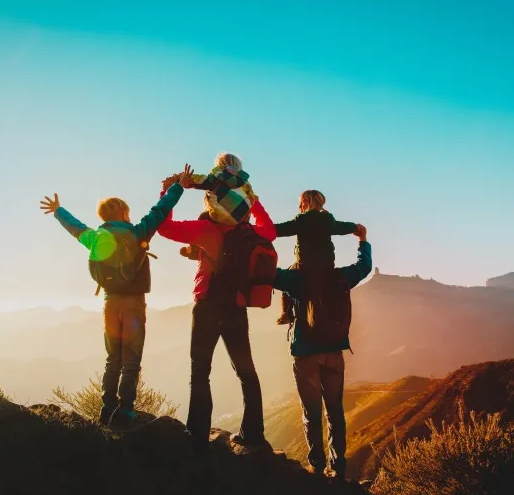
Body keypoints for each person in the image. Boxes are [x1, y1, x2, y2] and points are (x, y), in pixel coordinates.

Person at [38, 169, 191, 428]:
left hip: (110, 303)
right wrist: (178, 187)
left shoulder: (96, 238)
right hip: (134, 304)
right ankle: (125, 411)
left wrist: (58, 211)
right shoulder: (137, 233)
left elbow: (75, 228)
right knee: (131, 360)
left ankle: (106, 408)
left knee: (113, 359)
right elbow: (160, 210)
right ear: (122, 213)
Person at [157, 164, 276, 453]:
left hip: (207, 307)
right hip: (236, 309)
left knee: (200, 371)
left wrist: (170, 190)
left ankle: (197, 435)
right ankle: (253, 434)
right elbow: (270, 232)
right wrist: (253, 200)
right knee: (247, 372)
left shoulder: (205, 229)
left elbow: (163, 227)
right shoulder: (249, 231)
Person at [273, 224, 372, 479]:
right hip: (334, 353)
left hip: (305, 353)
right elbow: (364, 267)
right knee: (335, 411)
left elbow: (266, 274)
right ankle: (337, 468)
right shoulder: (342, 276)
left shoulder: (295, 278)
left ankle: (316, 466)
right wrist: (363, 240)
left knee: (311, 411)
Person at [274, 190, 358, 325]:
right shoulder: (328, 219)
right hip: (327, 266)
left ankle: (286, 313)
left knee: (287, 278)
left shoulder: (301, 220)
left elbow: (282, 229)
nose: (299, 207)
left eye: (300, 203)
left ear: (306, 202)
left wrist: (262, 230)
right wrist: (355, 227)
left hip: (305, 266)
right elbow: (341, 227)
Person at [188, 152, 255, 225]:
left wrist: (182, 178)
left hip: (220, 217)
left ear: (220, 166)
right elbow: (252, 199)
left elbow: (200, 180)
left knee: (203, 217)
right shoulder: (245, 183)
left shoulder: (217, 177)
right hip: (241, 220)